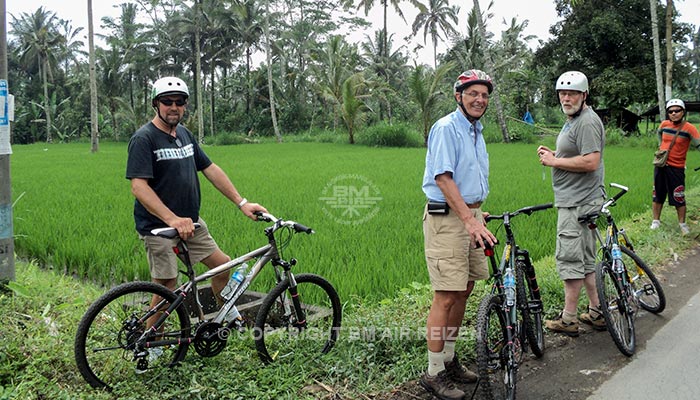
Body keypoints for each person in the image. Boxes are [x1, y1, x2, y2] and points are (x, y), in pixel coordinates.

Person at [126, 76, 267, 324]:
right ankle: (149, 343)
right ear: (155, 104)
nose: (173, 107)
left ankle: (224, 310)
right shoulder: (144, 138)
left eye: (179, 102)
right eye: (167, 101)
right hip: (158, 227)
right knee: (167, 284)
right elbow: (139, 187)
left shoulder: (184, 135)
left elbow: (210, 169)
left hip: (191, 223)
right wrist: (172, 219)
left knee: (222, 265)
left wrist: (242, 203)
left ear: (185, 105)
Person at [420, 69, 498, 400]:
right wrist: (469, 219)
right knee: (446, 294)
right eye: (472, 94)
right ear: (458, 96)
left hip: (470, 215)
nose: (479, 99)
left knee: (465, 289)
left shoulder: (476, 131)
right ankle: (433, 372)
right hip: (450, 219)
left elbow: (468, 177)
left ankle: (450, 360)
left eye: (484, 95)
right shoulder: (446, 128)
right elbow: (443, 177)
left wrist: (478, 214)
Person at [537, 71, 607, 336]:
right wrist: (556, 154)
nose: (566, 98)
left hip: (578, 203)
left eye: (572, 93)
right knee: (587, 259)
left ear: (584, 95)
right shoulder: (574, 120)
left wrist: (555, 162)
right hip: (581, 200)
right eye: (562, 93)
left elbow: (591, 162)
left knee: (570, 260)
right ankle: (597, 311)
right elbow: (577, 153)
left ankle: (568, 319)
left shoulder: (587, 122)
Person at [650, 98, 700, 235]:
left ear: (683, 112)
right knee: (657, 194)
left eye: (677, 111)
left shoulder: (689, 128)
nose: (673, 113)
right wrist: (661, 146)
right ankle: (655, 221)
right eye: (670, 111)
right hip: (661, 166)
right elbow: (659, 133)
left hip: (677, 168)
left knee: (678, 196)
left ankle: (682, 224)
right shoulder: (665, 124)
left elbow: (698, 144)